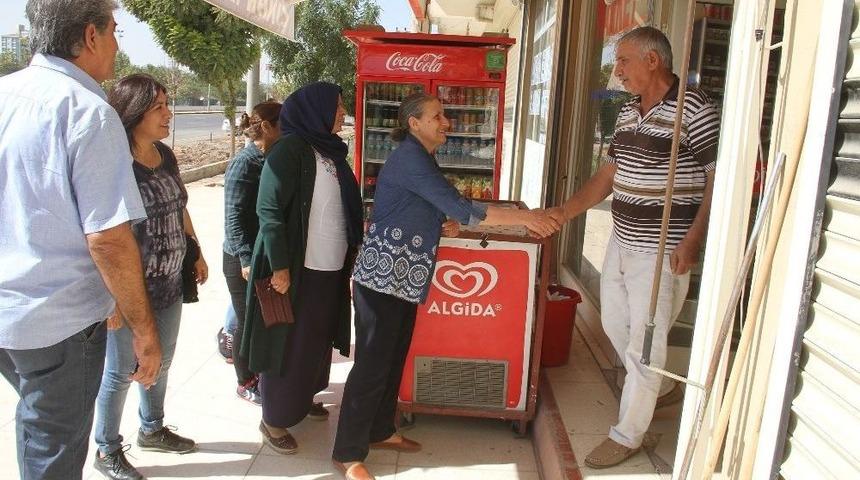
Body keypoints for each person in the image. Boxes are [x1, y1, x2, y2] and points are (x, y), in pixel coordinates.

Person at [332, 92, 560, 480]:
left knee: (392, 358)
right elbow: (461, 206)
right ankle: (347, 453)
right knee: (371, 366)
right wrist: (527, 218)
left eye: (444, 115)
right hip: (382, 278)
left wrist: (444, 221)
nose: (446, 122)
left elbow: (427, 204)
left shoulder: (422, 157)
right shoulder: (411, 158)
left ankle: (381, 430)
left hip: (404, 278)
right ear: (414, 123)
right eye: (437, 116)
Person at [0, 1, 161, 479]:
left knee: (38, 422)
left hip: (13, 313)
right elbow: (109, 239)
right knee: (53, 447)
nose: (117, 45)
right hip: (59, 324)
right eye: (115, 32)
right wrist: (144, 330)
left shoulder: (6, 93)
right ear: (91, 36)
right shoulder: (88, 112)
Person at [547, 27, 719, 469]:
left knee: (645, 344)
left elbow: (718, 178)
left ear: (652, 60)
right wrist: (565, 212)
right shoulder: (627, 111)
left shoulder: (694, 107)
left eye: (623, 60)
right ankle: (663, 388)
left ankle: (628, 435)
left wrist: (693, 239)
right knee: (614, 323)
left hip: (662, 248)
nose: (617, 70)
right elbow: (610, 173)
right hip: (622, 239)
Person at [92, 73, 209, 480]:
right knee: (122, 371)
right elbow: (100, 231)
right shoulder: (115, 163)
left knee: (163, 359)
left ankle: (152, 428)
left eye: (167, 105)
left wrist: (195, 250)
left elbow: (179, 206)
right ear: (134, 111)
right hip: (129, 290)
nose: (168, 113)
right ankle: (106, 448)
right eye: (158, 107)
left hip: (170, 282)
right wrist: (110, 297)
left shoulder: (165, 155)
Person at [241, 82, 362, 455]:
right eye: (337, 106)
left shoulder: (330, 152)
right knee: (289, 345)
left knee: (317, 341)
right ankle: (274, 419)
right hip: (296, 270)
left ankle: (303, 397)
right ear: (315, 110)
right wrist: (279, 266)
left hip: (329, 267)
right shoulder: (289, 149)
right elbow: (269, 210)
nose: (343, 112)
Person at [222, 101, 282, 405]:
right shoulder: (245, 163)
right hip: (240, 258)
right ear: (268, 127)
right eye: (284, 124)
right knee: (246, 324)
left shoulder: (272, 158)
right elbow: (233, 217)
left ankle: (260, 373)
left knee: (260, 322)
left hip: (263, 255)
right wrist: (245, 259)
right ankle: (245, 382)